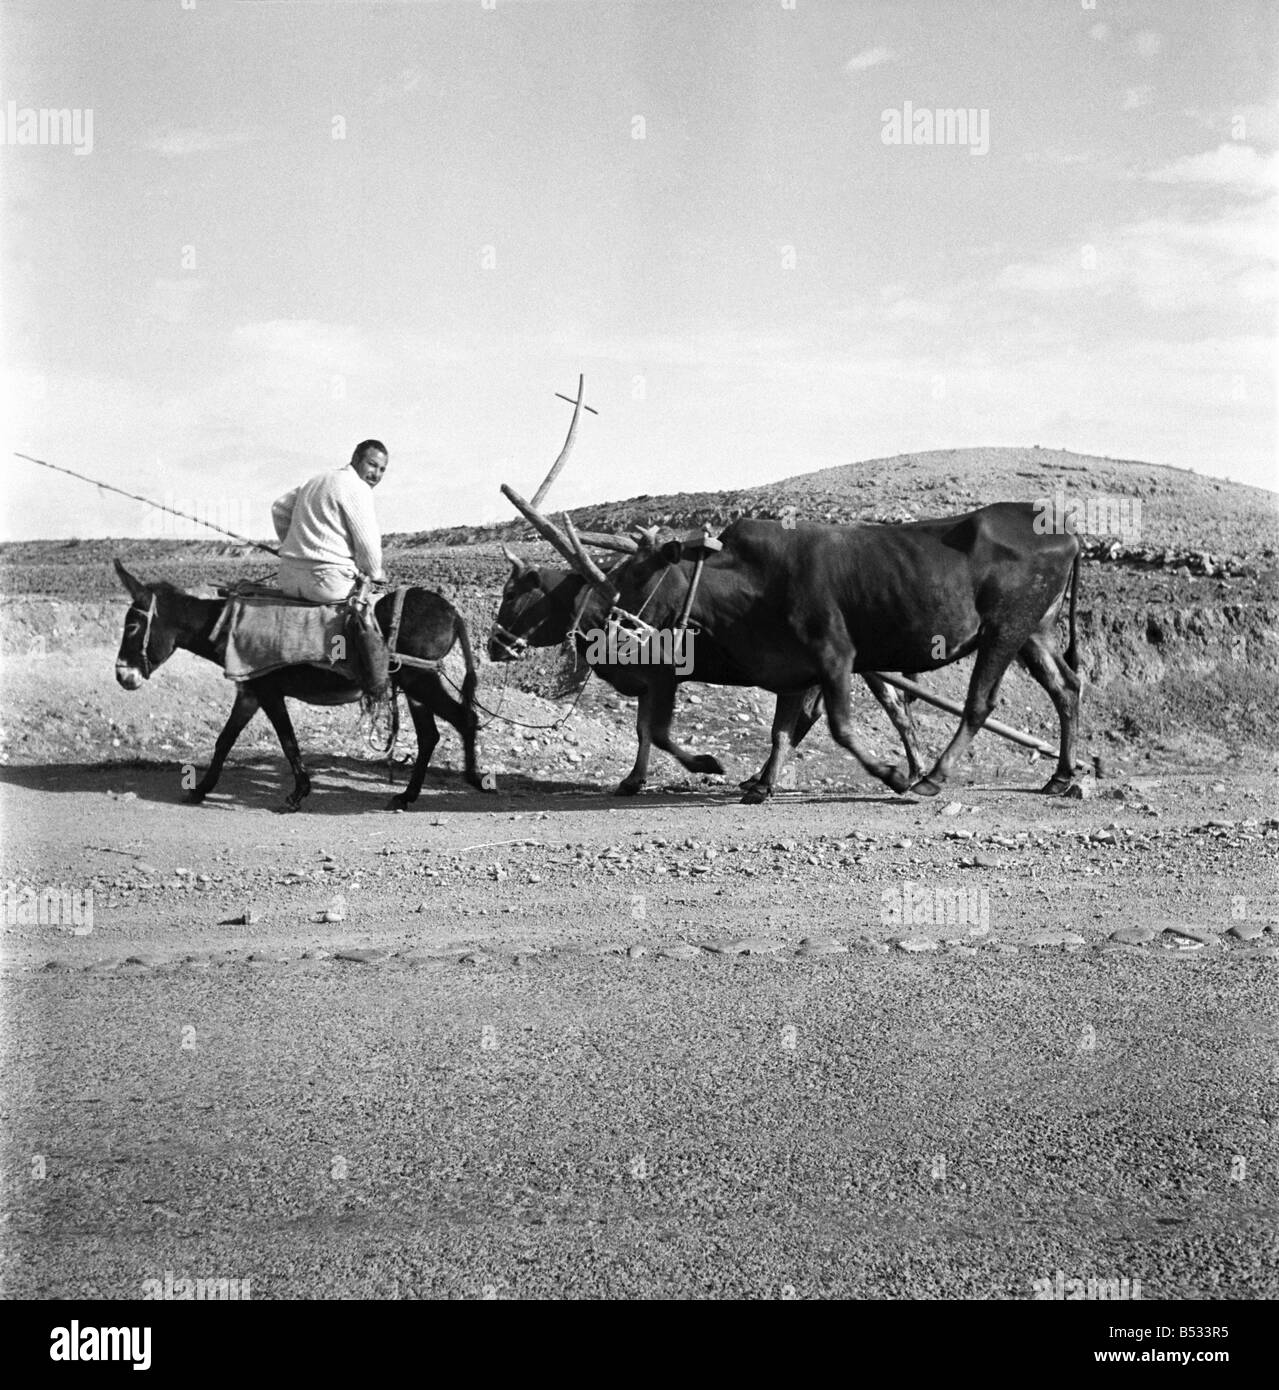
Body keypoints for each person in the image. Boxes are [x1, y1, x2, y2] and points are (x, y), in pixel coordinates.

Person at [272, 440, 391, 700]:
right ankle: (358, 676)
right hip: (326, 583)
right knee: (373, 609)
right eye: (372, 465)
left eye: (382, 469)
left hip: (289, 578)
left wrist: (294, 544)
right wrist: (375, 572)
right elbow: (369, 546)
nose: (376, 475)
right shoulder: (357, 488)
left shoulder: (317, 480)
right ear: (356, 459)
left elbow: (279, 507)